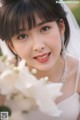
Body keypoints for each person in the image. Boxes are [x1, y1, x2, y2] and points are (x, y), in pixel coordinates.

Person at [0, 0, 80, 120]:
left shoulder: (77, 73)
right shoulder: (5, 79)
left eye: (45, 28)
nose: (38, 46)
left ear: (61, 27)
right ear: (11, 45)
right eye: (22, 36)